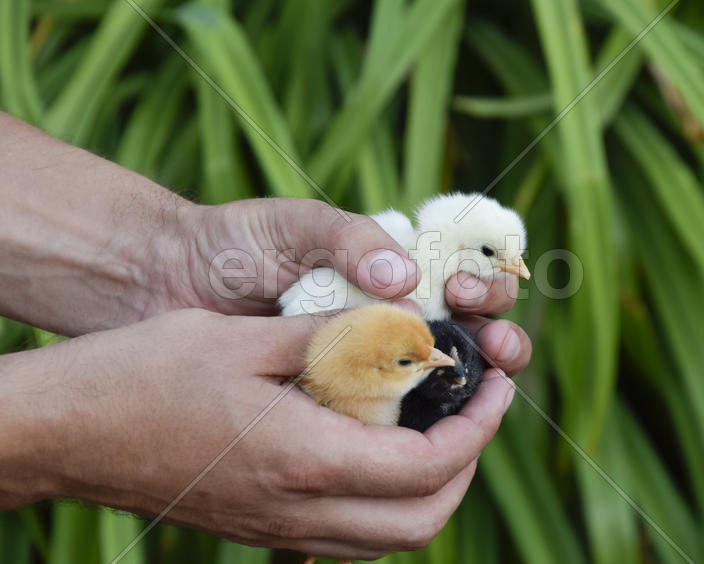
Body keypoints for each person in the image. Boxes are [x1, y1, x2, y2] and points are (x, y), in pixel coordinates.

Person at [0, 112, 532, 560]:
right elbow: (318, 318)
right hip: (328, 353)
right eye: (495, 256)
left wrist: (164, 256)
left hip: (345, 356)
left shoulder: (407, 260)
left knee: (433, 360)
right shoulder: (400, 251)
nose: (513, 271)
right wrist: (71, 430)